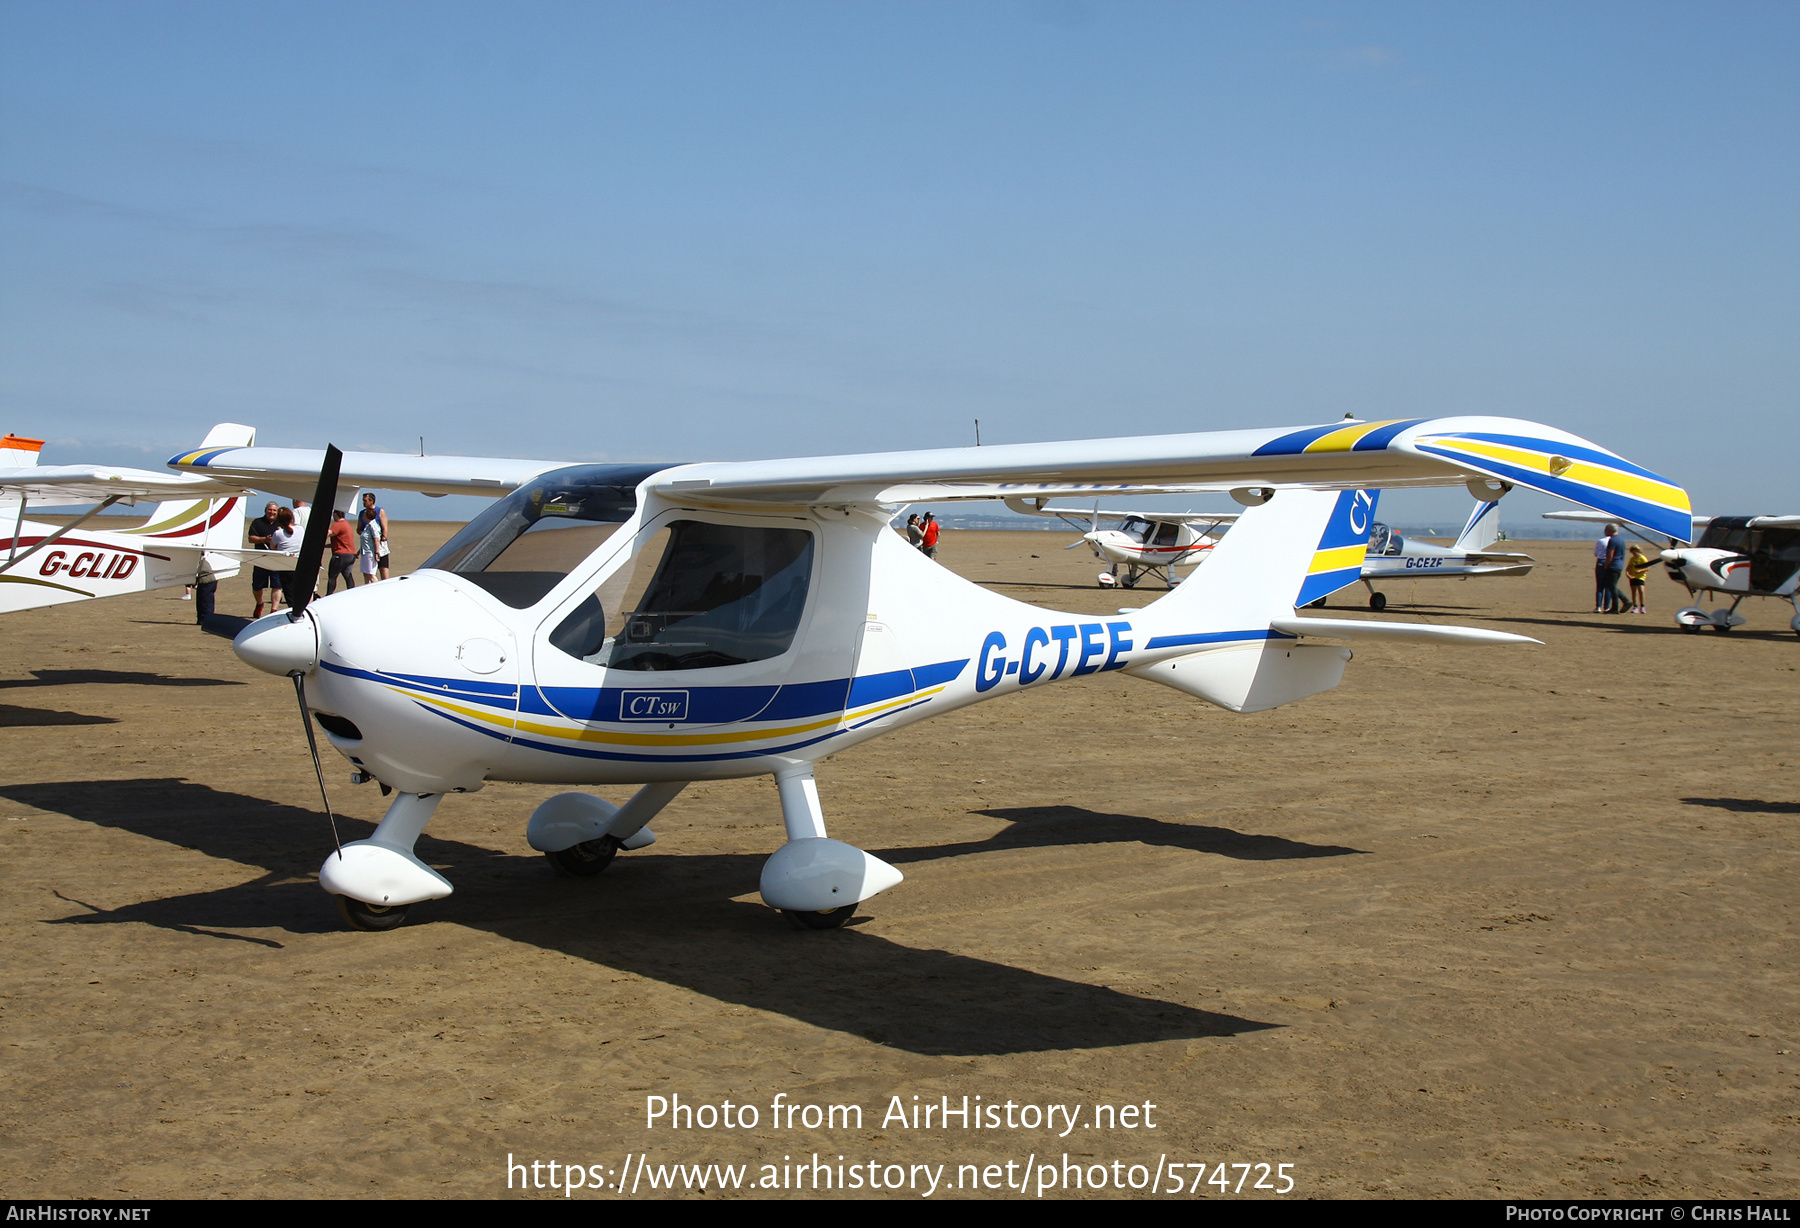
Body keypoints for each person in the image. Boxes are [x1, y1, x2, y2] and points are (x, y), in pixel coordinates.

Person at [248, 500, 281, 617]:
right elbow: (251, 538)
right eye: (270, 510)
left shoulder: (281, 524)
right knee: (257, 586)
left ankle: (274, 609)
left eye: (274, 510)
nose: (272, 512)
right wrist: (264, 539)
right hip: (261, 558)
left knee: (277, 585)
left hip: (276, 558)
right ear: (265, 510)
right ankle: (259, 603)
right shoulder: (257, 522)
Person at [270, 507, 302, 609]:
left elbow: (272, 546)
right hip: (299, 564)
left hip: (286, 566)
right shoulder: (300, 529)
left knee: (289, 594)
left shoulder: (278, 533)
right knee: (300, 592)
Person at [359, 492, 391, 581]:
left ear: (371, 501)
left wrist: (382, 538)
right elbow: (359, 529)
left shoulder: (379, 511)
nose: (363, 503)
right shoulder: (362, 513)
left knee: (383, 568)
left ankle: (385, 586)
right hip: (368, 546)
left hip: (380, 545)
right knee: (368, 571)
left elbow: (385, 528)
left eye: (365, 500)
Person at [326, 508, 358, 594]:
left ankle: (329, 595)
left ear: (336, 514)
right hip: (350, 554)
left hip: (341, 555)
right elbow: (340, 542)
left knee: (332, 576)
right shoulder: (347, 524)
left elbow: (328, 533)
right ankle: (351, 593)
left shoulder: (339, 524)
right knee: (347, 575)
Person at [1601, 524, 1628, 615]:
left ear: (1609, 530)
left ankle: (1617, 606)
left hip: (1613, 566)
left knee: (1612, 586)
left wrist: (1606, 565)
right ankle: (1622, 603)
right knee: (1612, 586)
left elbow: (1610, 555)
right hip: (1619, 565)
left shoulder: (1613, 540)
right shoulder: (1621, 539)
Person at [1625, 544, 1654, 614]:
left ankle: (1642, 606)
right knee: (1634, 591)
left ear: (1638, 551)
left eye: (1634, 552)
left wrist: (1640, 570)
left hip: (1640, 577)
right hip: (1633, 576)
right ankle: (1635, 607)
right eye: (1632, 553)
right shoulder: (1632, 559)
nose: (1634, 554)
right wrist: (1627, 574)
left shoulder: (1643, 558)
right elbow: (1628, 567)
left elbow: (1647, 568)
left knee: (1641, 590)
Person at [358, 508, 383, 585]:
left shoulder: (373, 525)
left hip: (370, 553)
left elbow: (377, 539)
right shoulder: (367, 526)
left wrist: (376, 552)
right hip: (365, 552)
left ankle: (378, 588)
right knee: (366, 574)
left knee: (371, 574)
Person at [192, 552, 217, 625]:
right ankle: (203, 618)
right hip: (208, 570)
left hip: (207, 572)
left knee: (205, 594)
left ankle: (205, 618)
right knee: (203, 594)